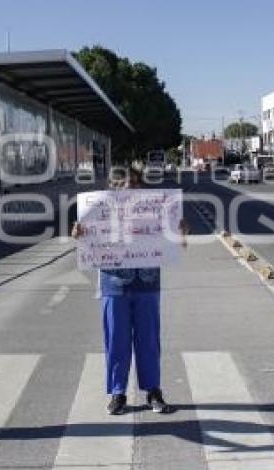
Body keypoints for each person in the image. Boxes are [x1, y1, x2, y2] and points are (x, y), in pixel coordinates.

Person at [72, 167, 189, 415]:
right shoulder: (99, 212)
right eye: (123, 183)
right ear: (113, 189)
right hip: (113, 283)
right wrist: (78, 234)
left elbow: (178, 245)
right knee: (116, 340)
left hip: (147, 283)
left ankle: (153, 391)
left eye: (135, 183)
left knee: (149, 340)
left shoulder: (155, 212)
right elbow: (85, 244)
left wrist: (180, 231)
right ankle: (118, 392)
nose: (130, 188)